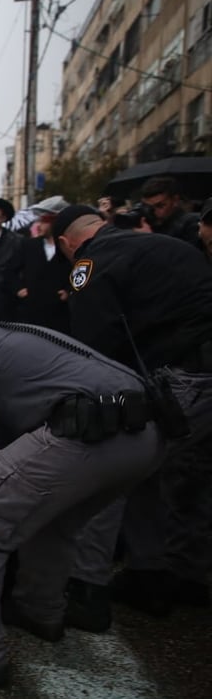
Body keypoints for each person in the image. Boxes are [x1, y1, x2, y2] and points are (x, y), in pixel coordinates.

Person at [0, 298, 165, 687]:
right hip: (145, 439)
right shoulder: (4, 334)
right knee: (51, 521)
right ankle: (39, 611)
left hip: (87, 431)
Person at [54, 204, 212, 617]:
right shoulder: (158, 244)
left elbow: (93, 350)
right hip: (197, 371)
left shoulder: (89, 261)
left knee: (113, 465)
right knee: (172, 474)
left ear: (66, 244)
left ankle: (87, 588)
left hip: (184, 376)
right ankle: (164, 575)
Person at [14, 213, 70, 333]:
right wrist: (18, 288)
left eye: (44, 222)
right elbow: (11, 270)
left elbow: (79, 270)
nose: (39, 226)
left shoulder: (67, 246)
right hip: (32, 308)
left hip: (58, 310)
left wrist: (69, 290)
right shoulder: (29, 245)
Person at [139, 175, 200, 247]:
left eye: (160, 206)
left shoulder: (191, 222)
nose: (153, 212)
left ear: (175, 200)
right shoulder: (146, 223)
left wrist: (150, 238)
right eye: (148, 207)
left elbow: (187, 255)